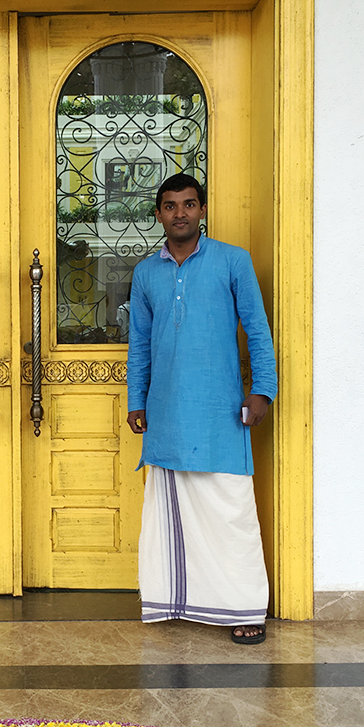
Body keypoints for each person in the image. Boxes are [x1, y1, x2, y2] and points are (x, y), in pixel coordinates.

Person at [126, 173, 277, 644]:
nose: (180, 213)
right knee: (172, 514)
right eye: (170, 206)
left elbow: (257, 330)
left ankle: (246, 609)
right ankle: (176, 601)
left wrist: (263, 391)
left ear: (202, 210)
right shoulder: (147, 272)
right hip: (167, 413)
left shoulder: (233, 261)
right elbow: (139, 345)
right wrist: (137, 399)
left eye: (189, 204)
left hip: (219, 413)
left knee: (230, 511)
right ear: (159, 214)